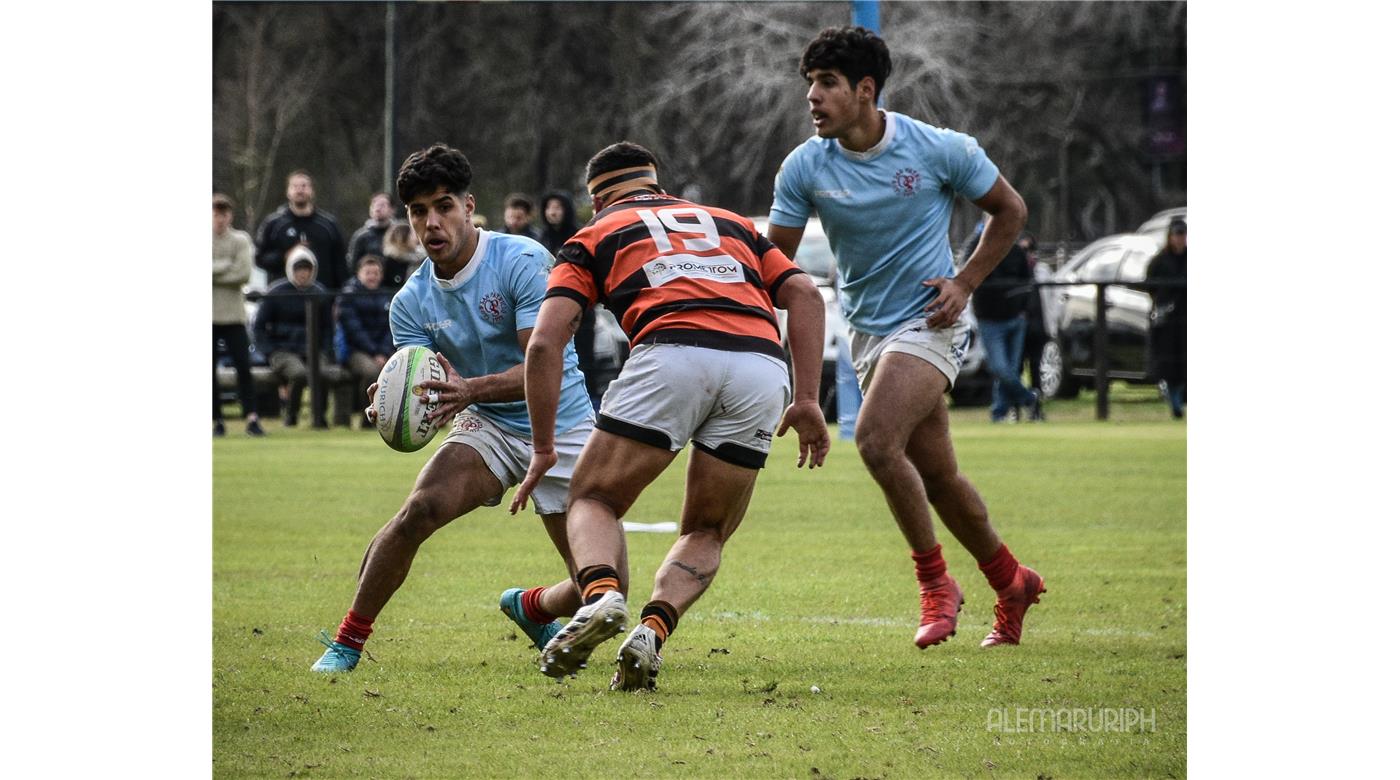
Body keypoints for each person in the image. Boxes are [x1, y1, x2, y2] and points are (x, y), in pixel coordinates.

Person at [511, 141, 830, 691]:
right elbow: (804, 293)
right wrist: (807, 400)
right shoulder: (731, 223)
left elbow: (543, 345)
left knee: (592, 497)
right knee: (707, 528)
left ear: (597, 200)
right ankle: (652, 632)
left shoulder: (593, 235)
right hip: (760, 365)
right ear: (657, 184)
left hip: (672, 352)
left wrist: (543, 449)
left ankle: (602, 595)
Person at [766, 26, 1045, 649]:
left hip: (930, 322)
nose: (813, 96)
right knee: (940, 477)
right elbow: (775, 267)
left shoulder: (938, 148)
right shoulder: (805, 166)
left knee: (873, 440)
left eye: (827, 84)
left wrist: (966, 280)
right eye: (810, 83)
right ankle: (1011, 580)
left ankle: (936, 583)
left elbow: (1011, 210)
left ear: (866, 90)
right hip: (866, 333)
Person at [311, 143, 596, 673]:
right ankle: (346, 642)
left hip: (562, 424)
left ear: (469, 206)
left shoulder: (522, 260)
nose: (431, 222)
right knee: (418, 510)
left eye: (443, 206)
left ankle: (532, 607)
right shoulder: (411, 302)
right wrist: (394, 400)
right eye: (419, 212)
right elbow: (421, 382)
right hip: (487, 425)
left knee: (597, 587)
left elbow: (543, 366)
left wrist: (468, 391)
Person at [251, 246, 343, 428]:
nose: (303, 274)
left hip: (313, 349)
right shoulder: (275, 292)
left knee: (323, 373)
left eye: (307, 269)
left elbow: (327, 328)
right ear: (291, 269)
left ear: (313, 270)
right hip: (282, 350)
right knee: (299, 374)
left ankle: (320, 417)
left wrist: (325, 350)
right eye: (299, 269)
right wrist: (269, 351)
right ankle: (291, 416)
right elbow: (258, 326)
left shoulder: (320, 293)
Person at [969, 218, 1043, 423]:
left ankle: (999, 412)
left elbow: (1027, 281)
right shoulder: (978, 247)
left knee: (1009, 370)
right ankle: (1030, 399)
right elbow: (966, 267)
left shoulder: (1016, 251)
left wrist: (1023, 310)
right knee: (1000, 368)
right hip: (989, 319)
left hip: (1014, 318)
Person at [539, 190, 604, 409]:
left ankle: (591, 407)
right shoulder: (541, 240)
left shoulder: (580, 236)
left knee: (586, 362)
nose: (553, 212)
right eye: (549, 208)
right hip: (548, 310)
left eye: (557, 207)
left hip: (581, 311)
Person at [212, 193, 265, 437]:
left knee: (244, 368)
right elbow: (231, 270)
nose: (219, 219)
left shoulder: (241, 240)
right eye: (214, 214)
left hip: (234, 315)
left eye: (223, 214)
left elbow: (243, 274)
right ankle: (216, 420)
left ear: (229, 216)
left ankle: (252, 418)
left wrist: (214, 268)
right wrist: (226, 265)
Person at [255, 169, 348, 291]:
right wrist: (285, 255)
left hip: (322, 297)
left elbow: (341, 264)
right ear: (288, 192)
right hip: (282, 299)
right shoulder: (273, 224)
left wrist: (340, 298)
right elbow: (259, 259)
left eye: (304, 186)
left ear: (312, 191)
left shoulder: (328, 225)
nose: (300, 190)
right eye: (295, 186)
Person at [336, 255, 395, 428]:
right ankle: (368, 420)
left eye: (376, 273)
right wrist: (374, 352)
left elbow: (391, 328)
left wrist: (383, 352)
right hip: (355, 351)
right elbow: (354, 331)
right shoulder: (348, 296)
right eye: (368, 272)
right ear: (358, 274)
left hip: (382, 351)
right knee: (371, 372)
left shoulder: (387, 297)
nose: (372, 276)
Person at [1146, 217, 1187, 418]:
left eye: (1183, 235)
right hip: (1168, 322)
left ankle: (1180, 398)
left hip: (1186, 319)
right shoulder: (1160, 261)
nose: (1180, 240)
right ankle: (1175, 403)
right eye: (1177, 235)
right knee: (1169, 365)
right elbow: (1150, 285)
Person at [346, 192, 396, 275]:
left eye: (382, 205)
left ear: (392, 210)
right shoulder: (361, 237)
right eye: (374, 205)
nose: (378, 208)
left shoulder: (400, 234)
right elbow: (352, 266)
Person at [380, 221, 425, 289]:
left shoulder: (422, 258)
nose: (416, 239)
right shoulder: (389, 261)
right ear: (403, 238)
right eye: (413, 235)